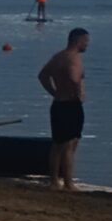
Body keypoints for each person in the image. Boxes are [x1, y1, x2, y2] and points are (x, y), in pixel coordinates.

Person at [36, 27, 89, 191]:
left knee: (57, 144)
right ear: (78, 41)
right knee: (70, 144)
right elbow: (74, 77)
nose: (87, 44)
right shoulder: (74, 59)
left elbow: (42, 76)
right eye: (86, 41)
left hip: (58, 103)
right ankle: (68, 183)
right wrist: (79, 92)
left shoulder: (58, 57)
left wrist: (53, 91)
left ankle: (54, 181)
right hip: (70, 104)